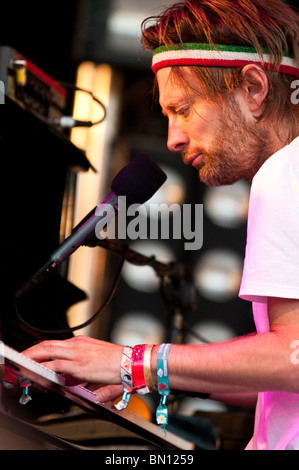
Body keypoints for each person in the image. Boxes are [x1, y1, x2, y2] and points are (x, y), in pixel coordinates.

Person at [23, 0, 299, 450]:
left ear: (253, 88)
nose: (173, 138)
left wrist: (135, 362)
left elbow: (294, 359)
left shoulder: (285, 173)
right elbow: (281, 380)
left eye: (184, 108)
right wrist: (157, 377)